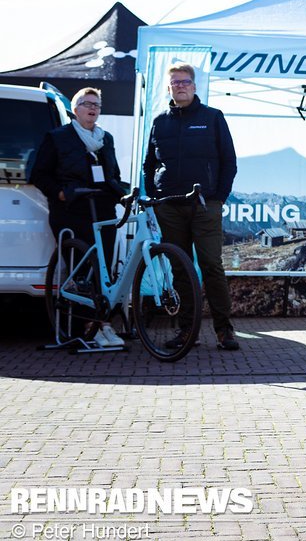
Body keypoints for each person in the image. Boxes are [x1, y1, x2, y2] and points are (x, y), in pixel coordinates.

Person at [143, 63, 240, 351]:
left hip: (204, 204)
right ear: (169, 88)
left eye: (186, 82)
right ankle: (188, 332)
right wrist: (154, 194)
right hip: (169, 207)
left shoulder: (212, 117)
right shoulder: (160, 122)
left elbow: (229, 161)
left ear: (195, 86)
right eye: (175, 82)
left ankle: (225, 331)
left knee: (211, 265)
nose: (181, 86)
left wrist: (218, 197)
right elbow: (149, 164)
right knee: (180, 268)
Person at [31, 87, 128, 347]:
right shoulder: (58, 137)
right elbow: (39, 174)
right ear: (75, 110)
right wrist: (60, 194)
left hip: (103, 211)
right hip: (72, 212)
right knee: (82, 272)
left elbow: (113, 174)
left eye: (96, 104)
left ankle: (103, 324)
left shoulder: (105, 139)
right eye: (86, 104)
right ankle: (88, 326)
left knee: (104, 271)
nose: (92, 108)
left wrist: (120, 191)